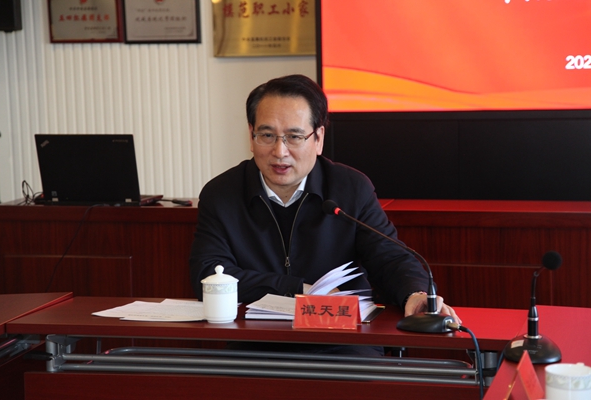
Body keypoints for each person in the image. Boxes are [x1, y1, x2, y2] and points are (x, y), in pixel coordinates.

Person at [189, 74, 460, 355]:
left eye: (294, 137)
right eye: (267, 135)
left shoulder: (350, 188)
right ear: (251, 135)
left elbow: (389, 258)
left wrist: (415, 293)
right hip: (256, 340)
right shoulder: (222, 194)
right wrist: (302, 289)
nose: (280, 151)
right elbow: (207, 274)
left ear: (318, 138)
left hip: (344, 339)